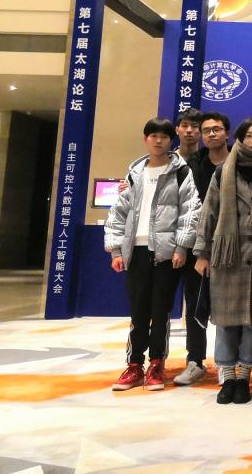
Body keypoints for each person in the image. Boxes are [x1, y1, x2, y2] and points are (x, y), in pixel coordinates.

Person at [193, 117, 252, 405]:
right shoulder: (223, 171)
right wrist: (202, 253)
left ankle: (244, 378)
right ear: (239, 138)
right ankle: (227, 378)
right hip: (227, 256)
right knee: (225, 320)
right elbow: (209, 212)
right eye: (248, 135)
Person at [105, 117, 201, 392]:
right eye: (153, 136)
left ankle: (156, 364)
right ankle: (134, 364)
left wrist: (181, 247)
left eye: (164, 136)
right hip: (135, 251)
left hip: (166, 252)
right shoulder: (134, 173)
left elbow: (190, 211)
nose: (158, 141)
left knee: (160, 311)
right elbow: (118, 212)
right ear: (145, 139)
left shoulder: (181, 172)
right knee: (138, 311)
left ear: (171, 140)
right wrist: (115, 249)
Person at [173, 111, 232, 388]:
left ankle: (227, 363)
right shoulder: (192, 164)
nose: (211, 134)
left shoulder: (239, 162)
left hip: (233, 244)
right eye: (206, 130)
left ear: (227, 133)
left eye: (216, 129)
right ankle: (195, 361)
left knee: (231, 306)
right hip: (199, 247)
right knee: (196, 306)